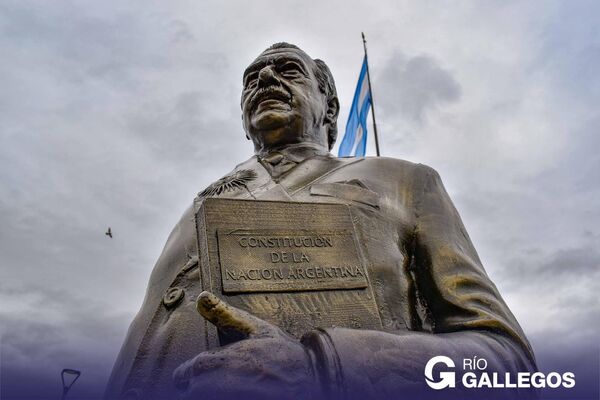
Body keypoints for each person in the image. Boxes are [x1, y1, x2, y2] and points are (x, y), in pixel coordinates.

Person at [105, 43, 536, 400]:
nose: (265, 81)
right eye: (251, 80)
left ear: (330, 107)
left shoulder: (405, 181)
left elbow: (506, 362)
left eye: (288, 70)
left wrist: (325, 365)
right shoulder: (199, 205)